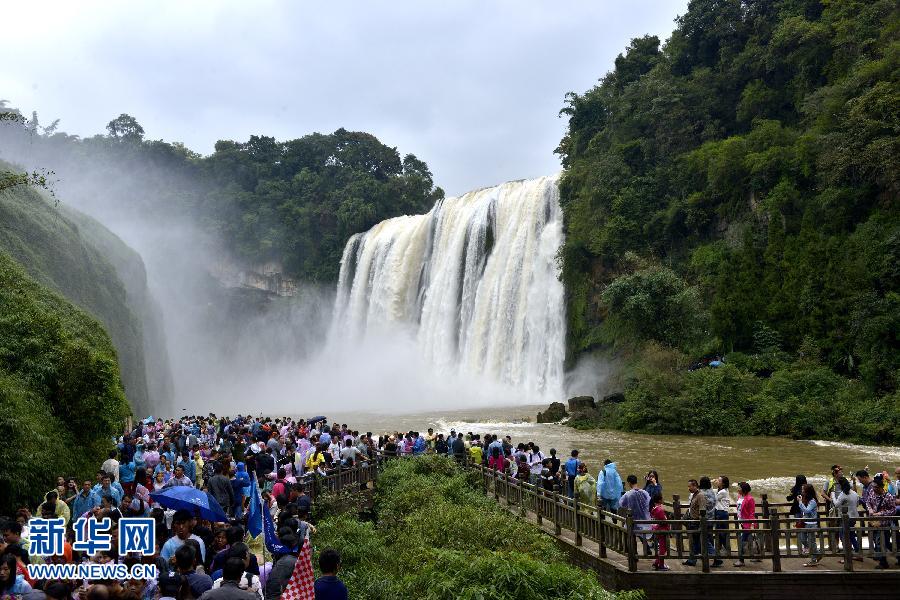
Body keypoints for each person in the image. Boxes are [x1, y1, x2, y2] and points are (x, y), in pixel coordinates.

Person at [865, 474, 897, 569]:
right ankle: (898, 556)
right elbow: (868, 502)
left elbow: (893, 510)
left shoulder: (888, 497)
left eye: (876, 487)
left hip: (883, 523)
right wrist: (870, 509)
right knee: (885, 542)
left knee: (880, 542)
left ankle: (883, 562)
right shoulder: (871, 492)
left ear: (881, 487)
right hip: (873, 522)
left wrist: (880, 514)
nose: (874, 489)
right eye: (873, 487)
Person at [619, 474, 652, 557]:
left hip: (632, 517)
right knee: (642, 534)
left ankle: (634, 553)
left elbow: (622, 504)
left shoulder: (628, 494)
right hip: (643, 517)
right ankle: (647, 549)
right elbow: (649, 502)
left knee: (632, 535)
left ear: (629, 483)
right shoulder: (644, 492)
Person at [831, 476, 861, 561]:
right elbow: (857, 503)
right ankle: (858, 553)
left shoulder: (843, 494)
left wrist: (833, 496)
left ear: (840, 485)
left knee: (843, 536)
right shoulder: (854, 493)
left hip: (846, 518)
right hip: (854, 516)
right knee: (851, 535)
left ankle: (847, 555)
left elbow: (836, 505)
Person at [734, 482, 757, 567]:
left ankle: (741, 560)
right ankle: (756, 556)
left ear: (743, 489)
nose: (738, 489)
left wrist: (751, 524)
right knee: (749, 540)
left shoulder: (750, 499)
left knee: (742, 541)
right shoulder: (740, 497)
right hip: (741, 522)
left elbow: (752, 513)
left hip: (747, 523)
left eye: (739, 488)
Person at [798, 483, 821, 566]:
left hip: (811, 524)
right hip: (805, 523)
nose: (802, 491)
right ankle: (817, 553)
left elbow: (807, 510)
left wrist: (800, 502)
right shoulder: (806, 499)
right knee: (803, 539)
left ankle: (813, 560)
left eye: (803, 490)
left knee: (812, 542)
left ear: (807, 491)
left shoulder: (812, 501)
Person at [650, 493, 669, 571]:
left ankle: (657, 562)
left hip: (658, 529)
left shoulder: (655, 509)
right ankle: (660, 564)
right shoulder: (659, 510)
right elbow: (664, 521)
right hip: (663, 530)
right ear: (660, 500)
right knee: (663, 548)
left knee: (662, 547)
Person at [713, 476, 731, 557]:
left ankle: (727, 550)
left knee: (723, 533)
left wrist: (710, 485)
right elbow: (712, 491)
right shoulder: (721, 490)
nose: (717, 481)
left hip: (722, 513)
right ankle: (718, 550)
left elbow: (714, 498)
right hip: (719, 513)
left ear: (723, 483)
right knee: (719, 533)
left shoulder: (723, 491)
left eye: (719, 481)